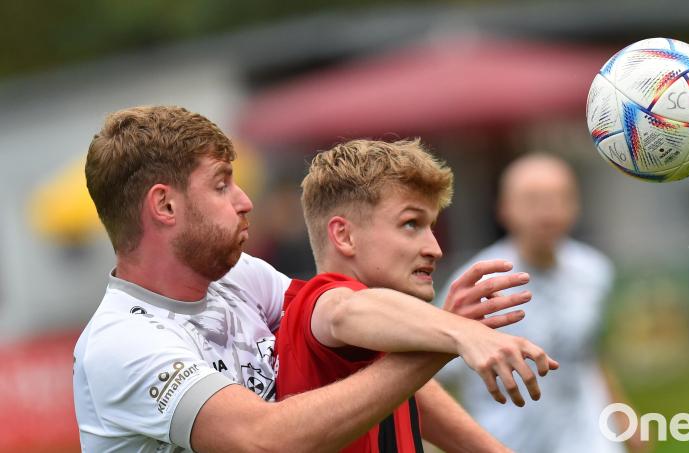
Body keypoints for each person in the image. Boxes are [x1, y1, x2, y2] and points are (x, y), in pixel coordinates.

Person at [73, 106, 550, 453]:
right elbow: (264, 440)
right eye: (221, 184)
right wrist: (449, 336)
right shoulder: (123, 341)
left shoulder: (239, 278)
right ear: (164, 205)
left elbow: (344, 315)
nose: (244, 201)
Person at [276, 139, 559, 452]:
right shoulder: (322, 299)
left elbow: (411, 390)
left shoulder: (386, 340)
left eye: (431, 226)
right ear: (344, 236)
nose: (435, 249)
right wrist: (461, 331)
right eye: (411, 223)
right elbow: (345, 309)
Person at [437, 153, 628, 453]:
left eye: (559, 198)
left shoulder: (593, 270)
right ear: (504, 208)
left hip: (589, 442)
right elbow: (434, 374)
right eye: (532, 200)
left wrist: (622, 416)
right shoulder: (478, 283)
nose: (547, 211)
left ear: (576, 205)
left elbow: (588, 355)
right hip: (506, 443)